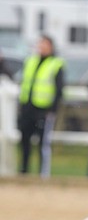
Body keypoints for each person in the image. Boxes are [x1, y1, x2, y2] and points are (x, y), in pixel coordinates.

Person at [18, 35, 64, 177]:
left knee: (43, 144)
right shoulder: (30, 61)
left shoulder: (56, 64)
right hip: (27, 107)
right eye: (40, 44)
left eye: (45, 44)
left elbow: (59, 90)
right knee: (24, 141)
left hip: (43, 110)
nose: (42, 47)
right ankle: (24, 172)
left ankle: (42, 175)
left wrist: (52, 110)